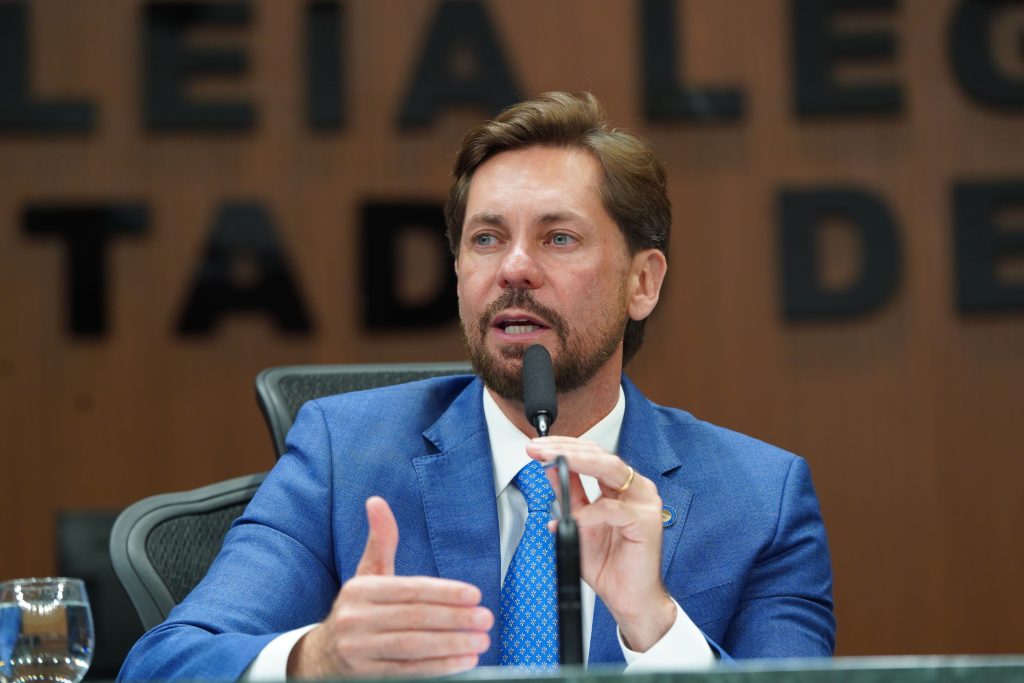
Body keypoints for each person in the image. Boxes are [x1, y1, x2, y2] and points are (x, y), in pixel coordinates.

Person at [118, 91, 834, 681]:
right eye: (487, 239)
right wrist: (317, 657)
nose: (514, 268)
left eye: (558, 238)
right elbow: (164, 665)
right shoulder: (344, 456)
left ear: (642, 283)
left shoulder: (761, 500)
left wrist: (657, 627)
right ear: (459, 271)